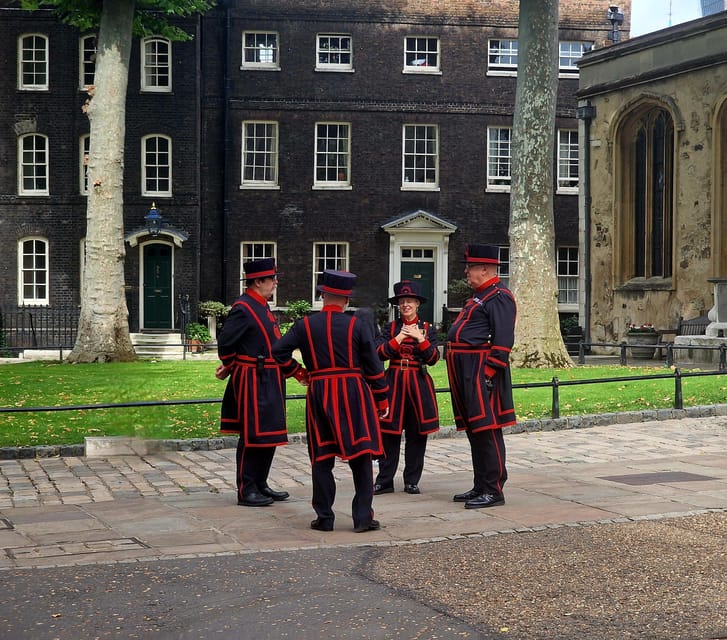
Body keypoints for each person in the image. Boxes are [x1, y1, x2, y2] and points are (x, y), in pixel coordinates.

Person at [272, 270, 389, 533]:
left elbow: (278, 351)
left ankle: (325, 517)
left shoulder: (304, 325)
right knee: (361, 455)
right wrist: (381, 398)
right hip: (353, 393)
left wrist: (299, 372)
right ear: (346, 300)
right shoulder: (357, 325)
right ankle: (362, 518)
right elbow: (373, 366)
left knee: (322, 458)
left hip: (320, 392)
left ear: (322, 295)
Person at [216, 258, 306, 507]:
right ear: (258, 281)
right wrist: (231, 365)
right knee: (252, 434)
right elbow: (226, 344)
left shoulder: (262, 306)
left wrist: (295, 372)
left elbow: (273, 346)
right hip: (253, 379)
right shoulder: (243, 307)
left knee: (269, 434)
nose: (276, 282)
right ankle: (246, 489)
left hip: (270, 378)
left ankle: (261, 483)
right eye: (272, 278)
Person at [445, 243, 517, 509]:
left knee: (487, 429)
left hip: (479, 371)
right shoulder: (481, 295)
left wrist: (486, 374)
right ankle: (481, 484)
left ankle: (494, 488)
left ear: (484, 269)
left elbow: (502, 341)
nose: (467, 272)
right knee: (475, 430)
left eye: (471, 267)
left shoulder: (499, 296)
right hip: (465, 370)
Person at [373, 280, 440, 495]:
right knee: (389, 434)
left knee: (417, 434)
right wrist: (400, 336)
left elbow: (433, 359)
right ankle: (384, 480)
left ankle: (412, 480)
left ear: (418, 304)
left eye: (410, 301)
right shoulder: (390, 328)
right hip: (393, 383)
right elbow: (379, 354)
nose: (406, 305)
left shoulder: (428, 329)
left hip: (418, 386)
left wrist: (420, 338)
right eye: (402, 301)